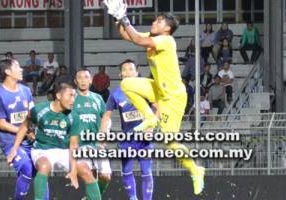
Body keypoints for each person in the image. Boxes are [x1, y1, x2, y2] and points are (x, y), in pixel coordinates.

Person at [105, 3, 205, 194]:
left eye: (159, 21)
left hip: (173, 98)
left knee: (169, 141)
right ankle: (149, 117)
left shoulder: (167, 41)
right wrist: (118, 18)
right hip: (158, 88)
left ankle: (195, 169)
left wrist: (124, 18)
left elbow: (136, 37)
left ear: (167, 28)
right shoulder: (153, 36)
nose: (154, 22)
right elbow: (126, 35)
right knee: (127, 84)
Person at [7, 83, 102, 200]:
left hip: (64, 151)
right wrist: (14, 149)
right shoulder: (39, 110)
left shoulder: (74, 117)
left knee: (86, 171)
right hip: (42, 150)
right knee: (44, 166)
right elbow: (24, 127)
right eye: (70, 96)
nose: (73, 100)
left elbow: (73, 145)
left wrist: (73, 171)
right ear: (58, 95)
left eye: (74, 96)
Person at [100, 60, 154, 200]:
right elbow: (106, 116)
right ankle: (133, 198)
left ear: (136, 73)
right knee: (126, 171)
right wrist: (102, 134)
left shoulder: (146, 89)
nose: (128, 72)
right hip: (127, 139)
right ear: (120, 74)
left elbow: (158, 108)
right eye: (125, 69)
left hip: (144, 139)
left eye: (131, 69)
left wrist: (150, 128)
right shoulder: (115, 93)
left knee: (146, 171)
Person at [0, 59, 35, 200]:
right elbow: (2, 124)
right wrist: (23, 131)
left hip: (29, 140)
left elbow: (31, 114)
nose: (21, 69)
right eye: (17, 66)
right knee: (27, 168)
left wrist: (33, 130)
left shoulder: (26, 90)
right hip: (10, 142)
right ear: (8, 72)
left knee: (41, 170)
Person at [73, 68, 112, 199]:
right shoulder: (71, 98)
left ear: (90, 81)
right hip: (80, 145)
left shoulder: (97, 98)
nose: (83, 80)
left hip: (97, 143)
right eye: (80, 78)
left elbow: (106, 118)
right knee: (89, 176)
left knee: (105, 176)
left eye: (86, 77)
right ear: (75, 81)